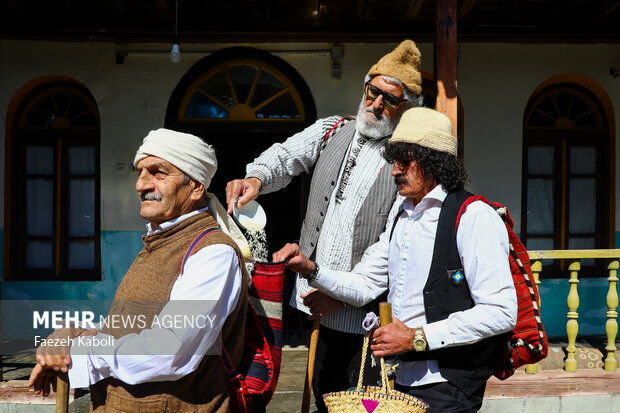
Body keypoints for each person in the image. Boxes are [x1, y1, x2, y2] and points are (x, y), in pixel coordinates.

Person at [273, 107, 518, 413]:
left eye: (405, 160)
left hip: (449, 386)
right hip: (400, 381)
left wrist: (417, 338)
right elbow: (364, 284)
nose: (394, 170)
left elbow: (501, 311)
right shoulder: (402, 216)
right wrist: (311, 269)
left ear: (434, 162)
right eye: (393, 160)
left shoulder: (473, 216)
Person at [226, 40, 424, 411]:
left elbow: (394, 245)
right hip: (312, 302)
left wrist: (339, 294)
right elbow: (286, 156)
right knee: (322, 394)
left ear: (407, 108)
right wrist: (256, 179)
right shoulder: (333, 129)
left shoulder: (406, 162)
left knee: (361, 402)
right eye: (372, 91)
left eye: (390, 100)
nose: (376, 104)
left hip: (365, 317)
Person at [29, 128, 253, 412]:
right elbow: (136, 323)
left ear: (196, 187)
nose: (141, 184)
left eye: (158, 172)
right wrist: (77, 333)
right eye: (140, 172)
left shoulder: (213, 253)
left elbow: (171, 351)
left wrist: (81, 353)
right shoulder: (157, 242)